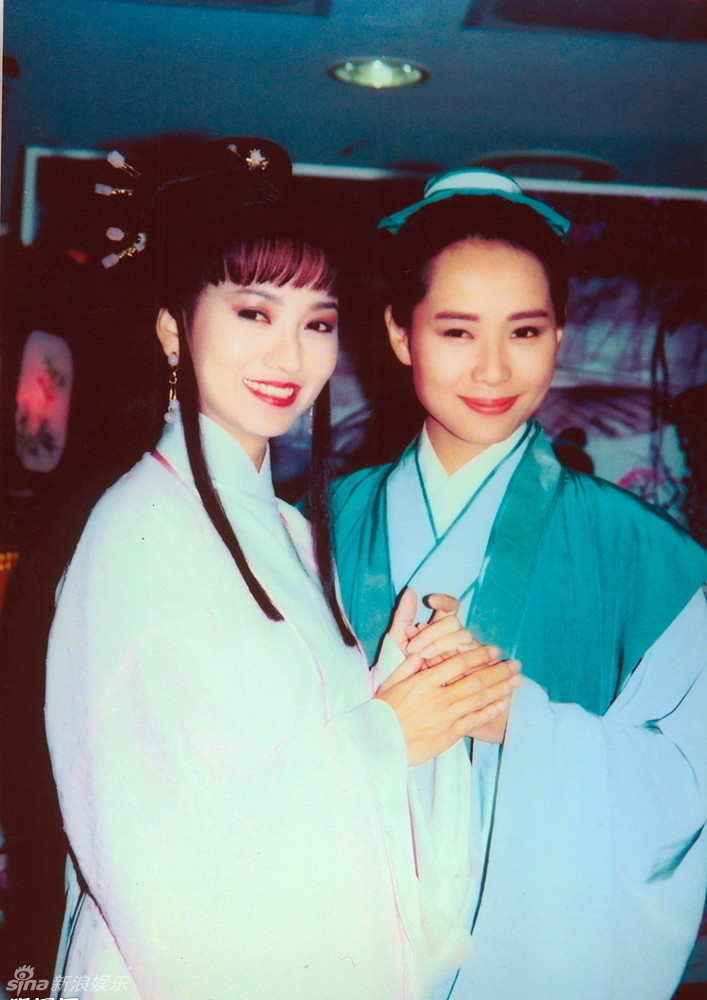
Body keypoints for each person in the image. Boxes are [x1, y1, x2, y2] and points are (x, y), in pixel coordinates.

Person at [43, 142, 522, 1000]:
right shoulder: (137, 530)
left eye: (317, 322)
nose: (290, 356)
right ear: (173, 329)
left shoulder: (290, 534)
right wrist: (388, 735)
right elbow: (160, 831)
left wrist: (408, 680)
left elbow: (280, 748)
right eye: (254, 313)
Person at [326, 169, 707, 1000]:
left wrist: (518, 722)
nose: (493, 368)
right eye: (456, 331)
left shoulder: (644, 555)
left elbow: (693, 777)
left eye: (525, 331)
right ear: (399, 334)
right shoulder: (311, 531)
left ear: (559, 337)